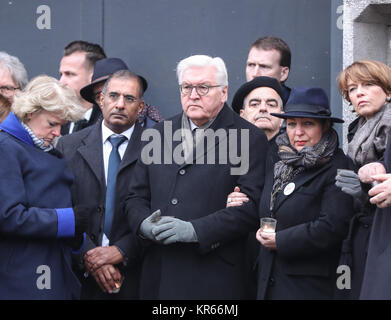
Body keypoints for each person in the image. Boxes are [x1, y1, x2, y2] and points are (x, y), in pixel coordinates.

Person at [125, 54, 269, 299]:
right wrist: (142, 225)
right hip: (160, 272)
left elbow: (250, 208)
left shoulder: (248, 137)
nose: (193, 95)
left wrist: (195, 230)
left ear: (223, 93)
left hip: (213, 276)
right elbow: (134, 197)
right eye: (186, 87)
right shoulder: (158, 133)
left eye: (203, 87)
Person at [254, 87, 354, 299]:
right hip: (269, 284)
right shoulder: (281, 163)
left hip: (309, 288)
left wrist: (280, 240)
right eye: (291, 124)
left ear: (325, 126)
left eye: (307, 124)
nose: (297, 132)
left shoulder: (339, 167)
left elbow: (332, 227)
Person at [56, 70, 146, 299]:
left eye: (129, 98)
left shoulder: (157, 149)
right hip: (77, 277)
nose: (120, 104)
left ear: (141, 107)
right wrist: (89, 256)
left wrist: (122, 250)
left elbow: (161, 209)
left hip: (136, 278)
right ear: (100, 99)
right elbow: (57, 206)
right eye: (113, 96)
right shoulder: (68, 146)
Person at [0, 75, 91, 299]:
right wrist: (68, 220)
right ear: (30, 113)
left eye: (63, 125)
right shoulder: (6, 147)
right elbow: (9, 216)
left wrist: (77, 238)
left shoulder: (40, 148)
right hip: (23, 278)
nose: (59, 133)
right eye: (52, 124)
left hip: (52, 270)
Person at [334, 60, 391, 299]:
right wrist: (362, 192)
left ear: (388, 91)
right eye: (353, 89)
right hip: (365, 233)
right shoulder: (355, 132)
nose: (360, 93)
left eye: (368, 84)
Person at [229, 76, 286, 298]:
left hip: (281, 262)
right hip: (234, 261)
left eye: (272, 104)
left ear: (283, 116)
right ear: (241, 114)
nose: (263, 108)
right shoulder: (223, 152)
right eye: (254, 104)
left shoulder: (300, 156)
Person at [79, 57, 163, 129]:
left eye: (113, 94)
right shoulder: (86, 137)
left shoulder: (158, 133)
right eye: (100, 97)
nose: (119, 105)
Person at [59, 40, 106, 135]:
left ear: (93, 77)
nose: (61, 82)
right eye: (61, 74)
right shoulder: (56, 119)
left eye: (70, 74)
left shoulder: (108, 122)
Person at [246, 36, 291, 102]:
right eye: (251, 65)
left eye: (264, 67)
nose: (255, 74)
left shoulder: (297, 108)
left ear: (283, 73)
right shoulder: (240, 105)